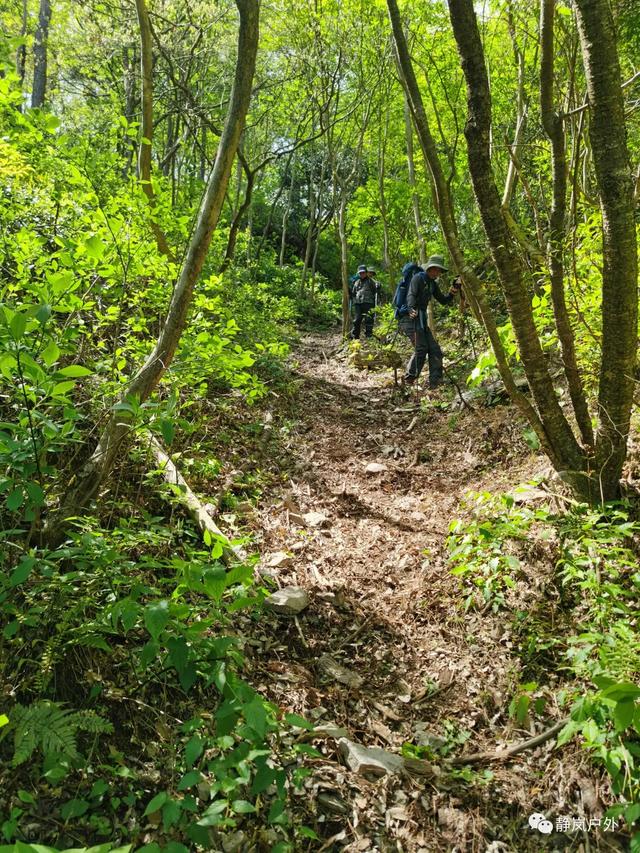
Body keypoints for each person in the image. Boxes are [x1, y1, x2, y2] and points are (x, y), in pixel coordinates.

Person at [399, 254, 461, 389]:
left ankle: (436, 382)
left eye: (440, 271)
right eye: (436, 269)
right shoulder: (418, 278)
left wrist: (453, 291)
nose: (438, 273)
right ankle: (409, 380)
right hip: (409, 319)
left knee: (435, 349)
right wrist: (410, 309)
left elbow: (443, 301)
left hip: (421, 319)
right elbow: (411, 295)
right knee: (421, 348)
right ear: (430, 268)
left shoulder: (432, 284)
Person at [349, 264, 381, 340]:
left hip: (368, 303)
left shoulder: (371, 281)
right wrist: (349, 292)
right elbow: (353, 293)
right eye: (360, 273)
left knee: (368, 319)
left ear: (366, 272)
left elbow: (376, 290)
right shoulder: (356, 282)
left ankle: (369, 336)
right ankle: (355, 336)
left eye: (363, 272)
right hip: (358, 303)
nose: (362, 274)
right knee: (357, 320)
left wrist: (379, 287)